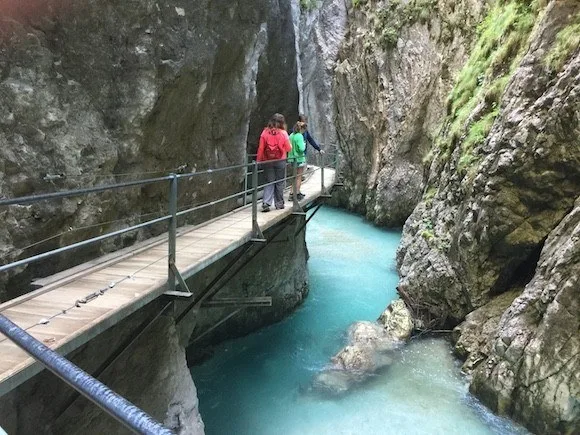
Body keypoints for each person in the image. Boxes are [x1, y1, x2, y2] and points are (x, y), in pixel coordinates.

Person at [256, 113, 292, 212]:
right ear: (282, 123)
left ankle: (266, 203)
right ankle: (279, 204)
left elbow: (261, 148)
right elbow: (289, 148)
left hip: (267, 161)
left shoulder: (265, 132)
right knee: (279, 182)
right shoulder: (283, 133)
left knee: (269, 181)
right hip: (280, 160)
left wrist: (259, 161)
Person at [287, 121, 307, 200]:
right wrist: (304, 144)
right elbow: (301, 149)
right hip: (299, 158)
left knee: (294, 176)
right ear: (302, 129)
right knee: (299, 177)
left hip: (291, 158)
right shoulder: (299, 136)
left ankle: (291, 193)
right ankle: (297, 193)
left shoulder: (291, 135)